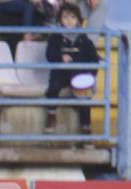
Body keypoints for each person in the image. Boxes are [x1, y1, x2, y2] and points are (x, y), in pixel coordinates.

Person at [44, 2, 99, 134]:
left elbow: (94, 59)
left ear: (79, 21)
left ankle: (86, 128)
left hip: (79, 73)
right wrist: (60, 57)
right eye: (65, 17)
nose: (69, 21)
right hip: (61, 73)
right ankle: (51, 114)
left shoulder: (83, 39)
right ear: (60, 20)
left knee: (85, 96)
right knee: (53, 87)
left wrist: (90, 75)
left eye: (73, 17)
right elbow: (49, 55)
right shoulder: (55, 38)